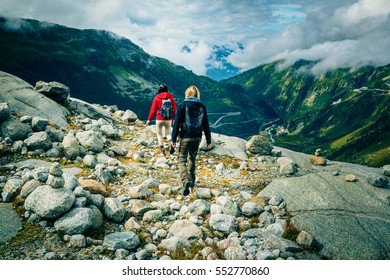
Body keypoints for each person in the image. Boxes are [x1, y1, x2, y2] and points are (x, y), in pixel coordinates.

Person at [170, 85, 211, 196]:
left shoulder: (182, 105)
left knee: (182, 159)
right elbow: (206, 124)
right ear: (197, 94)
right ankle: (192, 182)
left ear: (187, 94)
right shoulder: (202, 106)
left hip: (185, 136)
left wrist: (173, 139)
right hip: (197, 137)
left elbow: (176, 123)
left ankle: (185, 180)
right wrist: (208, 140)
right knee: (192, 158)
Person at [146, 84, 177, 154]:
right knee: (168, 133)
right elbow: (174, 108)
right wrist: (175, 118)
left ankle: (162, 148)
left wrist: (149, 120)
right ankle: (171, 144)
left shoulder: (157, 97)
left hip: (159, 118)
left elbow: (153, 110)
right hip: (169, 118)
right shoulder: (170, 97)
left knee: (159, 134)